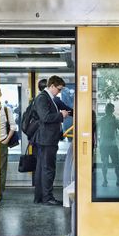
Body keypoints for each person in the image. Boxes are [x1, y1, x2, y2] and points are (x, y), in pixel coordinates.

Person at [33, 76, 69, 205]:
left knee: (44, 168)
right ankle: (47, 198)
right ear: (52, 85)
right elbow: (45, 117)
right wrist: (61, 115)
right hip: (46, 140)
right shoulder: (42, 98)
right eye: (58, 89)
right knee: (48, 169)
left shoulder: (51, 98)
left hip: (48, 139)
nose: (59, 92)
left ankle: (41, 197)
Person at [98, 103, 119, 188]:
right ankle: (118, 180)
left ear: (106, 110)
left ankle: (105, 181)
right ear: (112, 110)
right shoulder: (115, 120)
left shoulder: (101, 120)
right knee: (116, 164)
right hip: (111, 145)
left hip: (104, 144)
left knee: (105, 163)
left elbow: (97, 130)